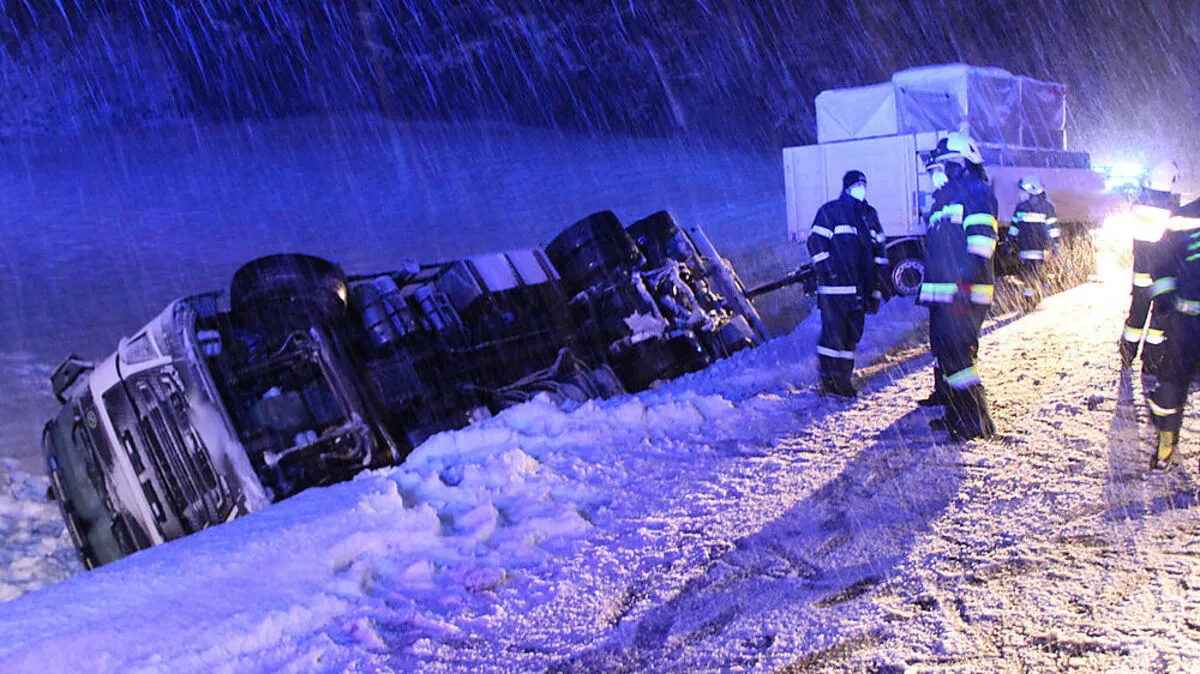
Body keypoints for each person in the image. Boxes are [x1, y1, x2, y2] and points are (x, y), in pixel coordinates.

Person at [916, 133, 998, 440]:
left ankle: (976, 419)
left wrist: (964, 283)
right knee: (945, 354)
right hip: (943, 294)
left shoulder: (976, 192)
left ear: (963, 163)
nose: (939, 173)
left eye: (945, 165)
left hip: (964, 291)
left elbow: (980, 242)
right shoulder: (945, 198)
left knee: (958, 356)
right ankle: (955, 413)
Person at [806, 169, 892, 398]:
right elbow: (816, 242)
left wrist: (879, 284)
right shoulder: (831, 211)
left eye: (864, 184)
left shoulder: (868, 215)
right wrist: (828, 271)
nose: (861, 188)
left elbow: (879, 251)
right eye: (857, 184)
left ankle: (843, 380)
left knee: (851, 337)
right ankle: (828, 381)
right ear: (846, 187)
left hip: (860, 291)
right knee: (832, 337)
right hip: (835, 292)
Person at [1146, 197, 1200, 470]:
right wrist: (1167, 299)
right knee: (1171, 386)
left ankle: (1165, 445)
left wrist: (1167, 300)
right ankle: (1166, 441)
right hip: (1185, 321)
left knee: (1172, 383)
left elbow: (1161, 260)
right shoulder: (1184, 217)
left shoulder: (1185, 216)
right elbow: (1162, 260)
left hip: (1184, 320)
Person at [1120, 160, 1179, 375]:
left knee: (1136, 316)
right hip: (1162, 276)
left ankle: (1127, 356)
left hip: (1141, 275)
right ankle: (1151, 364)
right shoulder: (1171, 211)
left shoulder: (1138, 205)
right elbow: (1175, 244)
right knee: (1159, 322)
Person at [1006, 175, 1060, 311]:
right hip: (1039, 250)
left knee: (1028, 275)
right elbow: (1053, 229)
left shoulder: (1021, 208)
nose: (1021, 194)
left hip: (1026, 249)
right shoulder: (1047, 207)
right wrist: (1055, 245)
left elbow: (1014, 229)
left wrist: (1009, 243)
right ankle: (1036, 297)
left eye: (1023, 191)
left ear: (1031, 191)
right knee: (1035, 274)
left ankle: (1030, 301)